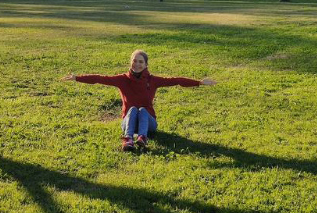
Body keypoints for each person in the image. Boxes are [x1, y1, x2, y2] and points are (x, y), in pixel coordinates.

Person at [62, 49, 216, 152]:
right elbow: (100, 79)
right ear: (131, 62)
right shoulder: (122, 80)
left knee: (142, 110)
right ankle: (128, 139)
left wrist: (199, 82)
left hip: (149, 123)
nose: (137, 64)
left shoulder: (153, 80)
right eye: (134, 61)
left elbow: (176, 80)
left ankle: (142, 137)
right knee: (133, 109)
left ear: (146, 65)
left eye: (140, 62)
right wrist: (77, 78)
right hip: (128, 122)